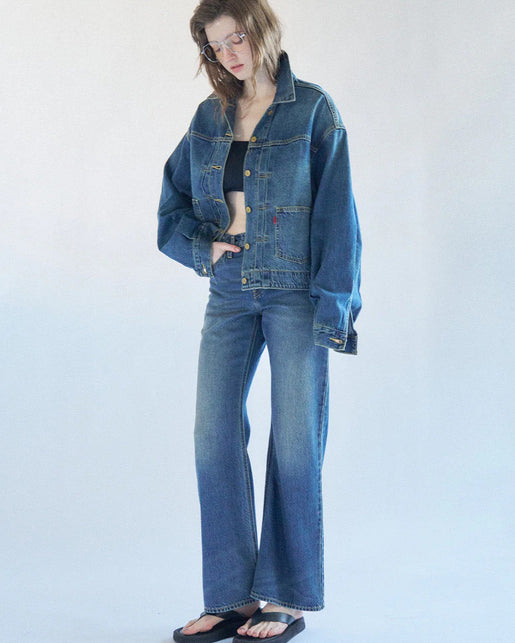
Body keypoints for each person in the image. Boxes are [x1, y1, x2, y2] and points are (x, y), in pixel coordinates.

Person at [157, 1, 361, 640]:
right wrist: (205, 247)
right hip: (230, 289)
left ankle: (286, 597)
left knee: (295, 442)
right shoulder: (210, 116)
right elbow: (172, 202)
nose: (229, 54)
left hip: (295, 290)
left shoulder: (313, 110)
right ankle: (232, 597)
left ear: (262, 31)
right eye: (216, 46)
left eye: (237, 38)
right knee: (212, 434)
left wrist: (336, 305)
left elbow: (338, 215)